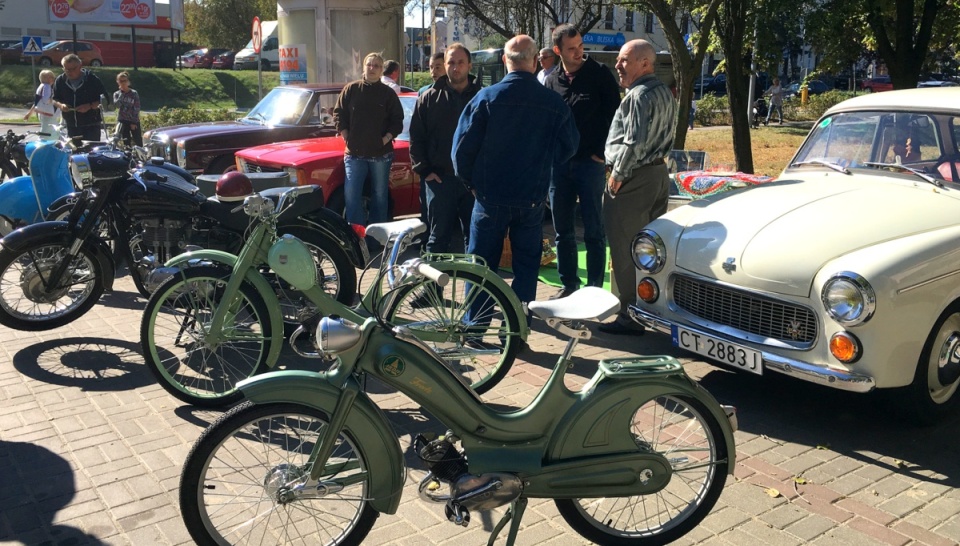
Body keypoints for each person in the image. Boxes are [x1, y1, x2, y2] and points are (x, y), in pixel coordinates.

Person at [453, 34, 579, 308]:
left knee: (481, 267)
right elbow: (569, 147)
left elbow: (460, 151)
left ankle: (475, 327)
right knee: (526, 268)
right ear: (535, 62)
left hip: (489, 197)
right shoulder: (554, 104)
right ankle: (518, 327)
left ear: (504, 61)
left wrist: (471, 184)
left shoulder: (485, 98)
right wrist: (543, 169)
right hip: (531, 198)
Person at [601, 39, 676, 335]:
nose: (618, 65)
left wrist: (617, 175)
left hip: (632, 179)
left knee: (624, 248)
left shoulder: (638, 95)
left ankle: (629, 315)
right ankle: (650, 307)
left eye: (624, 60)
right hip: (658, 174)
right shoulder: (665, 93)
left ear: (645, 63)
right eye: (619, 60)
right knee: (650, 250)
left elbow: (633, 141)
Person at [543, 24, 621, 299]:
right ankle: (569, 285)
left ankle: (594, 290)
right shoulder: (551, 80)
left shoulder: (599, 75)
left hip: (590, 165)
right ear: (557, 51)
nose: (579, 53)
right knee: (562, 231)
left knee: (593, 230)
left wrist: (601, 153)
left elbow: (616, 117)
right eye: (572, 49)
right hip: (560, 167)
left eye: (581, 47)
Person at [411, 43, 482, 264]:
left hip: (474, 184)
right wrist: (424, 170)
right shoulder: (429, 98)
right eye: (451, 62)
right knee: (437, 238)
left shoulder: (483, 98)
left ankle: (476, 294)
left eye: (460, 62)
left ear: (469, 65)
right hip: (440, 180)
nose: (455, 67)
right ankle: (431, 292)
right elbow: (416, 137)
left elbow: (493, 140)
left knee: (476, 239)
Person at [333, 52, 404, 228]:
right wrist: (345, 135)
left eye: (377, 66)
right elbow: (338, 113)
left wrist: (385, 139)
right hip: (354, 155)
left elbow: (397, 121)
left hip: (381, 155)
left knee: (379, 196)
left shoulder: (388, 94)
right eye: (369, 65)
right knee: (352, 195)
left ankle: (376, 237)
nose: (372, 68)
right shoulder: (351, 89)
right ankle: (356, 237)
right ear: (363, 67)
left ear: (381, 71)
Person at [51, 54, 108, 141]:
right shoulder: (60, 81)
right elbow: (54, 99)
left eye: (73, 69)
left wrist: (89, 106)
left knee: (90, 153)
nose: (70, 72)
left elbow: (105, 100)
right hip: (71, 125)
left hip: (91, 125)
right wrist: (61, 105)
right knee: (74, 152)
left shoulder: (92, 79)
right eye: (66, 69)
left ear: (80, 66)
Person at [23, 70, 58, 136]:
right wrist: (55, 101)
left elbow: (37, 102)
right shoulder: (47, 87)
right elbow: (46, 100)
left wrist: (29, 113)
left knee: (47, 130)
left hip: (42, 112)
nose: (54, 78)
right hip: (48, 113)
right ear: (47, 78)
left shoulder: (40, 87)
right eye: (52, 77)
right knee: (50, 132)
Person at [113, 71, 142, 146]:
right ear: (118, 82)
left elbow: (137, 107)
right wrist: (122, 94)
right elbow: (117, 105)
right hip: (123, 121)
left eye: (125, 81)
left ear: (128, 81)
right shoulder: (116, 94)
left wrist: (134, 122)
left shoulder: (134, 93)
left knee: (138, 141)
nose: (123, 83)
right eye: (121, 81)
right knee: (126, 142)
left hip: (133, 120)